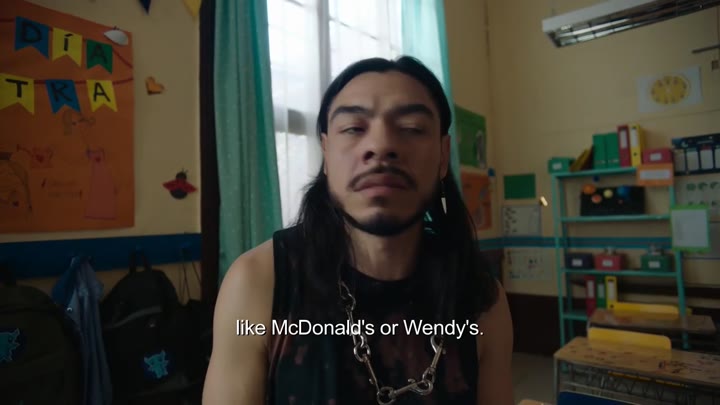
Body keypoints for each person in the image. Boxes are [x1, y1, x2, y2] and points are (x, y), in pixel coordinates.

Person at [203, 56, 514, 405]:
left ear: (443, 157)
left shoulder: (482, 300)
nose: (380, 146)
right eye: (353, 128)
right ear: (326, 153)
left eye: (412, 127)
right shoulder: (259, 281)